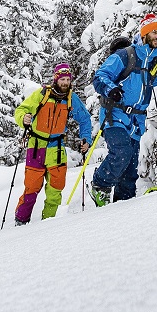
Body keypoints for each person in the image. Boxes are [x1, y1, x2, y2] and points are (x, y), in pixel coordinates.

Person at [89, 13, 157, 206]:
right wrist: (111, 89)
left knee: (130, 172)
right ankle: (99, 185)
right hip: (115, 115)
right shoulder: (125, 55)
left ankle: (124, 207)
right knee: (122, 152)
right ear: (144, 33)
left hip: (136, 122)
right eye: (154, 32)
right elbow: (100, 76)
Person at [11, 62, 94, 224]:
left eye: (67, 80)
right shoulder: (42, 94)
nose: (65, 83)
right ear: (56, 79)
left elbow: (84, 119)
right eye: (62, 79)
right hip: (36, 147)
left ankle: (48, 224)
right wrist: (24, 118)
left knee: (56, 188)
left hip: (56, 148)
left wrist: (86, 139)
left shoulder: (71, 98)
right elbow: (21, 110)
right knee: (31, 188)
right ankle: (20, 222)